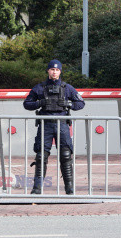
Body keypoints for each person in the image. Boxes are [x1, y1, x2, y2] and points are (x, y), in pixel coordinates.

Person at [23, 59, 85, 194]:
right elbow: (27, 104)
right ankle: (37, 188)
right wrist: (40, 103)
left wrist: (69, 105)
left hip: (62, 124)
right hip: (45, 125)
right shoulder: (39, 88)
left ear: (60, 71)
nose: (54, 72)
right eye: (52, 69)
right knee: (41, 156)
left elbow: (81, 103)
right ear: (48, 71)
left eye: (57, 70)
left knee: (65, 156)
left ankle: (69, 188)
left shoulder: (67, 88)